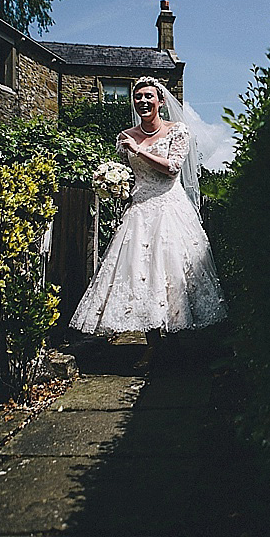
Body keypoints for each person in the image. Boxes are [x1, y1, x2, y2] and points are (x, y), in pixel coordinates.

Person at [68, 76, 226, 368]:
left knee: (173, 274)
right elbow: (132, 175)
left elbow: (172, 168)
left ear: (161, 101)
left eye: (148, 96)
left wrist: (139, 150)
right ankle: (152, 344)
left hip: (170, 208)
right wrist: (114, 183)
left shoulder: (178, 131)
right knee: (142, 275)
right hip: (140, 211)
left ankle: (179, 340)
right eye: (138, 96)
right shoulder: (125, 135)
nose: (142, 101)